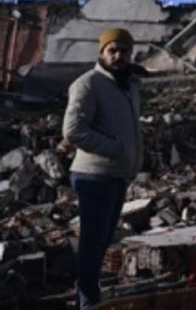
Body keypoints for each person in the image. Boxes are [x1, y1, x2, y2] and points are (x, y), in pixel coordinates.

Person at [63, 28, 146, 309]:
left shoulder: (128, 86)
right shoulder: (88, 84)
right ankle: (88, 303)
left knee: (101, 244)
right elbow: (73, 130)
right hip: (94, 175)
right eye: (113, 50)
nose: (118, 56)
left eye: (124, 50)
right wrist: (116, 149)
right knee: (92, 243)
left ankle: (86, 297)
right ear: (102, 53)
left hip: (116, 175)